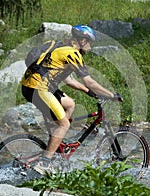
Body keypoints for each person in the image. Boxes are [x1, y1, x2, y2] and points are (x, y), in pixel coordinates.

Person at [21, 25, 122, 175]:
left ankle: (56, 145)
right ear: (82, 41)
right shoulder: (73, 53)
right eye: (89, 42)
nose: (90, 46)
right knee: (64, 124)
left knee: (70, 104)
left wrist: (90, 92)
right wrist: (111, 95)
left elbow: (69, 81)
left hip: (30, 86)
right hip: (39, 89)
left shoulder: (61, 47)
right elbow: (89, 81)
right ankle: (45, 163)